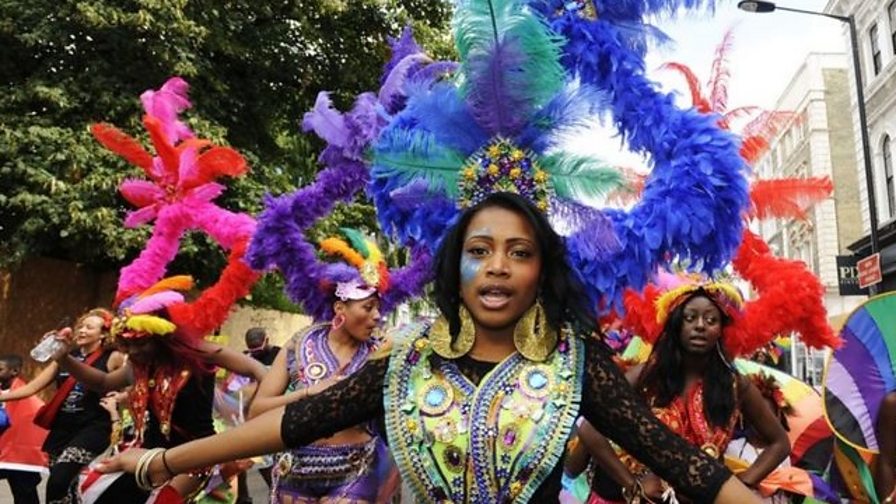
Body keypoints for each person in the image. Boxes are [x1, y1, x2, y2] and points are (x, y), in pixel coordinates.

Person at [96, 193, 760, 503]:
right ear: (455, 269)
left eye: (518, 253)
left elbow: (678, 459)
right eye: (480, 252)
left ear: (540, 273)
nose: (498, 267)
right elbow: (287, 426)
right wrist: (159, 460)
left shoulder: (575, 363)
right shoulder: (405, 365)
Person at [51, 277, 268, 502]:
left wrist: (261, 410)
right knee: (99, 494)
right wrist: (64, 359)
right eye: (129, 345)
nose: (134, 351)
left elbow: (258, 370)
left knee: (163, 500)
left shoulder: (195, 353)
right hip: (147, 453)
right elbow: (104, 383)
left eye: (142, 343)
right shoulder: (139, 365)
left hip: (195, 455)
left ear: (163, 337)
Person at [584, 282, 791, 502]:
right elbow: (590, 430)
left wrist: (742, 483)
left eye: (711, 320)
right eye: (690, 318)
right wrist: (633, 485)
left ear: (721, 329)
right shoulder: (647, 375)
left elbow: (780, 443)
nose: (700, 326)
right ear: (676, 326)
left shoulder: (734, 384)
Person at [247, 228, 401, 504]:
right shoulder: (299, 343)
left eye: (378, 308)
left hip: (355, 470)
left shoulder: (382, 352)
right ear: (340, 309)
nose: (377, 317)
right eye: (367, 308)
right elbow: (258, 410)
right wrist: (308, 393)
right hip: (294, 469)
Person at [0, 309, 124, 504]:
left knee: (59, 479)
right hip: (62, 427)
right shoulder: (67, 356)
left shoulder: (114, 357)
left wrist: (120, 396)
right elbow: (32, 387)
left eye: (89, 327)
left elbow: (136, 385)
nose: (82, 330)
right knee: (67, 486)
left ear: (103, 334)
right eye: (80, 326)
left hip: (94, 427)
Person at [0, 354, 47, 504]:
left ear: (14, 371)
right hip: (3, 450)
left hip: (20, 456)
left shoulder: (29, 399)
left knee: (24, 494)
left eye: (0, 369)